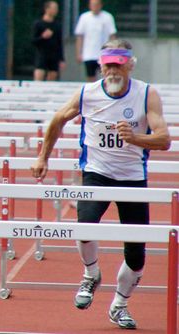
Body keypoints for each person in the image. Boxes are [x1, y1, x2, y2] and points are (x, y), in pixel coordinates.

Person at [31, 39, 170, 329]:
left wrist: (136, 139)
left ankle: (119, 305)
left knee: (136, 254)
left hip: (132, 177)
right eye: (108, 64)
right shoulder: (87, 93)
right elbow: (57, 120)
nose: (113, 70)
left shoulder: (146, 94)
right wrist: (43, 157)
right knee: (85, 225)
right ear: (100, 65)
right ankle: (91, 274)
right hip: (96, 173)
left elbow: (164, 139)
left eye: (119, 64)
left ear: (130, 64)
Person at [75, 0, 117, 82]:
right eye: (93, 5)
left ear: (101, 5)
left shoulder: (107, 17)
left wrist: (113, 52)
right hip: (89, 54)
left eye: (97, 4)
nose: (95, 7)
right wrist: (78, 53)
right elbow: (80, 36)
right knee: (90, 76)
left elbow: (112, 36)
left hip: (104, 54)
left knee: (106, 74)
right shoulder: (84, 17)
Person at [32, 1, 65, 81]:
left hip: (53, 56)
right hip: (42, 55)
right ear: (47, 9)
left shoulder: (57, 25)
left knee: (52, 77)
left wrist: (62, 59)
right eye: (54, 8)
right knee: (39, 77)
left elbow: (59, 43)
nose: (56, 10)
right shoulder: (38, 24)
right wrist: (43, 37)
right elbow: (33, 41)